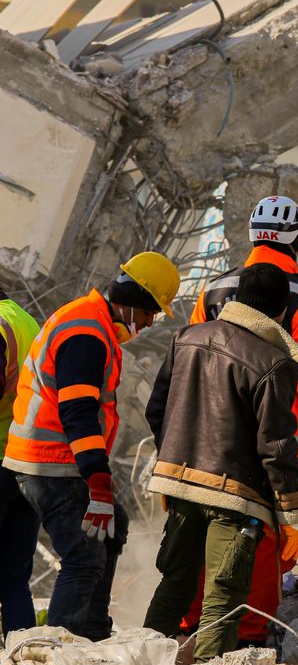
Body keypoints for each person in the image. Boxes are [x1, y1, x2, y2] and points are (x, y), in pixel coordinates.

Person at [3, 252, 180, 640]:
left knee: (110, 527)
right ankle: (60, 653)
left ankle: (93, 632)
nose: (149, 324)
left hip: (30, 457)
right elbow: (78, 413)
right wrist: (97, 482)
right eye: (150, 314)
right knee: (83, 557)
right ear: (135, 302)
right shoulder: (87, 333)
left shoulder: (88, 319)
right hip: (51, 462)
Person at [183, 195, 298, 643]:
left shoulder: (211, 289)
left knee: (207, 529)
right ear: (296, 240)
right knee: (270, 539)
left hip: (208, 437)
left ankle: (195, 628)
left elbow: (195, 356)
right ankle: (248, 635)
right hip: (278, 440)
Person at [143, 263, 298, 662]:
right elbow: (277, 446)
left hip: (178, 482)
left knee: (175, 582)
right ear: (282, 311)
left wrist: (174, 462)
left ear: (235, 299)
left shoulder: (186, 337)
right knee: (224, 593)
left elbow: (156, 410)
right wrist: (290, 514)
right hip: (235, 497)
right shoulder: (273, 362)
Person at [0, 293, 41, 633]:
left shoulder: (1, 324)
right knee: (15, 577)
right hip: (29, 464)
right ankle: (21, 659)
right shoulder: (29, 323)